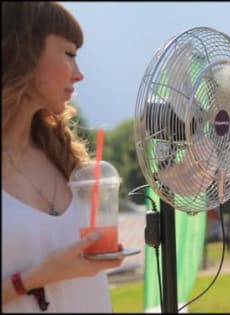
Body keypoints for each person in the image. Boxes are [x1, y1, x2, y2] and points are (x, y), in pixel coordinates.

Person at [2, 2, 124, 312]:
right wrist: (37, 276)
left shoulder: (66, 159)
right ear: (25, 51)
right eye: (69, 54)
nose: (79, 74)